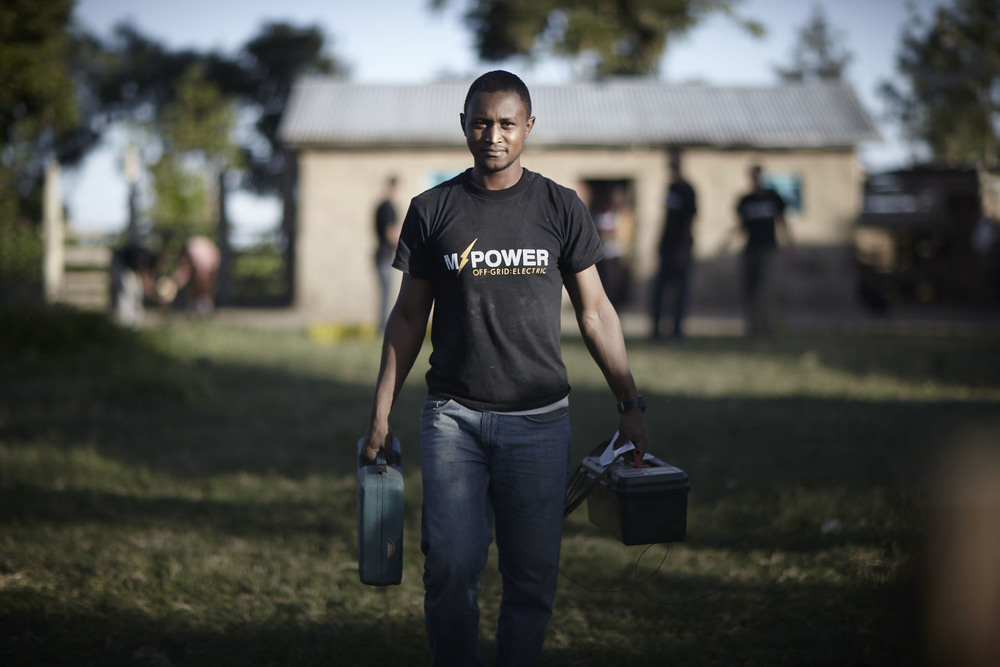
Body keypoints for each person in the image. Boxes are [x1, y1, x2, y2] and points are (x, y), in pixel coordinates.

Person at [360, 70, 649, 667]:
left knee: (532, 578)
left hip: (540, 424)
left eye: (507, 123)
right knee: (451, 566)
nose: (493, 135)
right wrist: (381, 410)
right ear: (464, 125)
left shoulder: (560, 207)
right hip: (454, 420)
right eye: (481, 122)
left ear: (529, 128)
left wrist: (630, 403)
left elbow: (596, 313)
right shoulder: (432, 209)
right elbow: (408, 318)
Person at [733, 164, 792, 337]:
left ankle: (768, 329)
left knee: (765, 291)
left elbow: (782, 222)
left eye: (758, 176)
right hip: (750, 250)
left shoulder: (773, 198)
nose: (756, 180)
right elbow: (741, 227)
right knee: (749, 290)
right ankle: (752, 329)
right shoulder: (746, 200)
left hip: (768, 250)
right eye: (753, 176)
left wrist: (789, 246)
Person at [650, 150, 697, 339]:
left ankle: (677, 331)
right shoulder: (670, 188)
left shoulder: (688, 190)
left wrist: (682, 250)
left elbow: (689, 222)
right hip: (666, 246)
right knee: (659, 290)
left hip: (679, 249)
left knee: (679, 292)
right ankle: (657, 331)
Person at [374, 176, 401, 331]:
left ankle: (382, 326)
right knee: (386, 295)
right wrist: (405, 246)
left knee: (385, 294)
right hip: (385, 256)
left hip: (381, 255)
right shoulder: (388, 208)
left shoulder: (381, 207)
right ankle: (383, 328)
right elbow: (390, 233)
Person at [171, 235, 220, 314]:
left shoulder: (204, 260)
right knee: (196, 284)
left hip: (211, 258)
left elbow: (203, 279)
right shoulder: (187, 254)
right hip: (201, 254)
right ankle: (194, 305)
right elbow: (183, 272)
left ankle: (205, 305)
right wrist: (174, 284)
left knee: (204, 285)